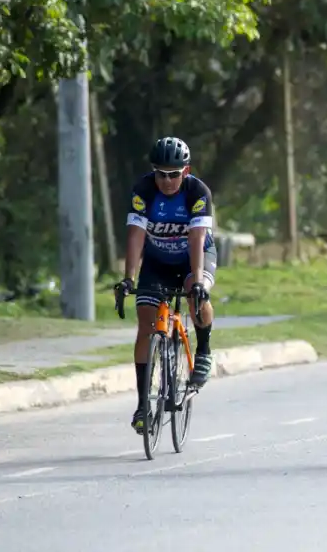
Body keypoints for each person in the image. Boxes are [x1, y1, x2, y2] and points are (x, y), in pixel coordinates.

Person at [114, 136, 218, 434]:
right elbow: (136, 235)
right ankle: (142, 406)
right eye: (161, 174)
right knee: (146, 325)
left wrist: (197, 281)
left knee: (197, 296)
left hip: (193, 258)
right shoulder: (144, 190)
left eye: (174, 174)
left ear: (186, 171)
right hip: (157, 262)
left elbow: (197, 238)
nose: (167, 181)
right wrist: (128, 278)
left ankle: (204, 350)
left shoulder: (198, 192)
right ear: (153, 172)